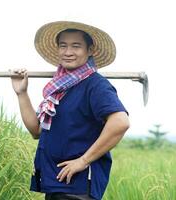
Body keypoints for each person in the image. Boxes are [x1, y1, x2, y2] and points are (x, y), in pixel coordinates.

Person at [10, 21, 130, 200]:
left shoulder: (95, 85)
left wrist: (83, 161)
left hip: (78, 188)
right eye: (63, 46)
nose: (68, 52)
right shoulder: (59, 89)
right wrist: (21, 93)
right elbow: (36, 130)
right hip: (56, 182)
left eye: (76, 46)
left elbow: (120, 122)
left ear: (89, 50)